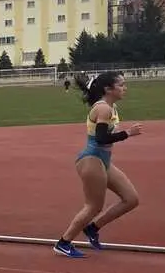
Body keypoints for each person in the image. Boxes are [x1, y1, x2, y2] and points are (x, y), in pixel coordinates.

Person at [53, 71, 144, 258]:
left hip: (103, 160)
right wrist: (128, 133)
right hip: (91, 159)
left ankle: (93, 228)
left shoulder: (111, 107)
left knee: (131, 199)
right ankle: (64, 242)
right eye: (121, 85)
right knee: (93, 206)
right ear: (108, 89)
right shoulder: (103, 109)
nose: (125, 88)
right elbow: (102, 138)